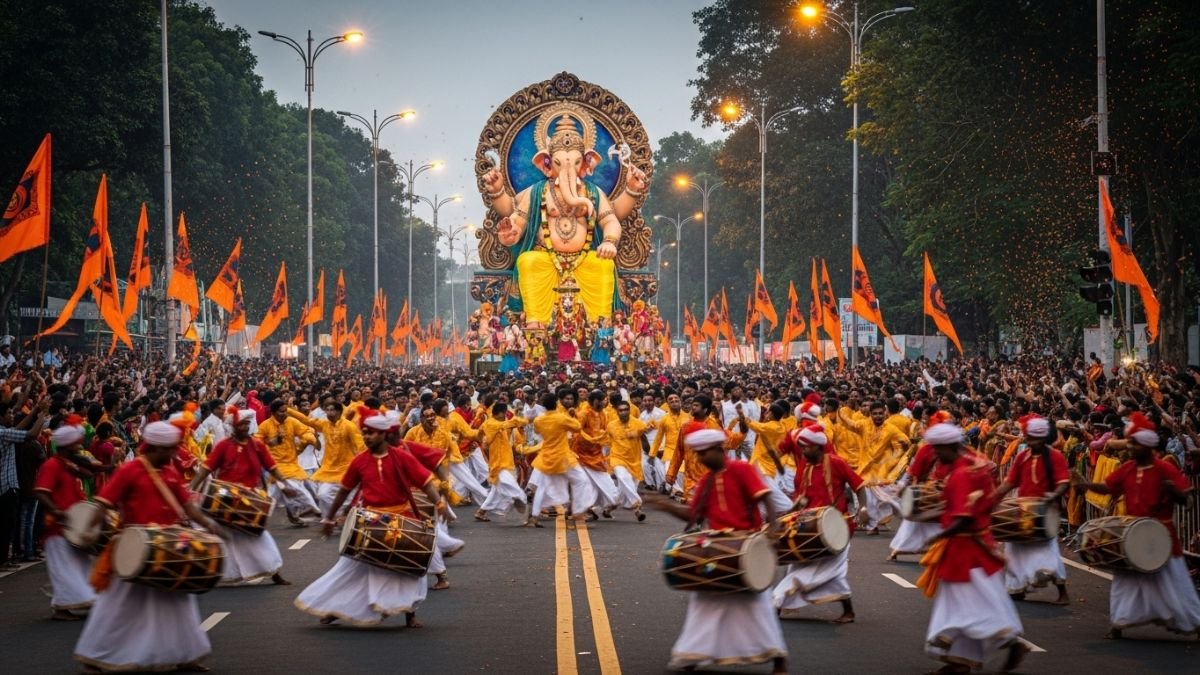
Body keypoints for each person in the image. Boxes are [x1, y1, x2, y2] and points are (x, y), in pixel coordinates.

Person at [74, 421, 220, 673]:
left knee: (180, 603)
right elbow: (103, 503)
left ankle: (186, 655)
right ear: (155, 447)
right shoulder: (129, 470)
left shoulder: (170, 472)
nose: (175, 453)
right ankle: (96, 654)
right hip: (133, 548)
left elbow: (186, 506)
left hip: (167, 546)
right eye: (170, 449)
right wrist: (88, 528)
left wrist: (206, 522)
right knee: (117, 605)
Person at [645, 425, 788, 675]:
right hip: (718, 547)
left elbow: (764, 496)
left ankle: (777, 658)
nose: (699, 459)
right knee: (703, 603)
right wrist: (665, 506)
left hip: (747, 547)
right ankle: (692, 654)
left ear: (718, 449)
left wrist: (773, 528)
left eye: (702, 454)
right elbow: (693, 514)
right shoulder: (707, 480)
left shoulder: (742, 469)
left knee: (757, 607)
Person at [295, 414, 449, 627]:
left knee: (410, 569)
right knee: (349, 570)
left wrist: (440, 504)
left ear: (384, 434)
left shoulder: (402, 457)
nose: (366, 436)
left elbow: (425, 483)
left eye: (371, 432)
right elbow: (343, 491)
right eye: (364, 432)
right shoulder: (360, 461)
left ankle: (410, 614)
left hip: (401, 520)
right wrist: (329, 518)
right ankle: (336, 609)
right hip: (369, 523)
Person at [1073, 412, 1200, 639]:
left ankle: (1194, 622)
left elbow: (1189, 500)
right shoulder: (1128, 468)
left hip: (1162, 536)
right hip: (1133, 534)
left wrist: (1177, 494)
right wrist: (1086, 486)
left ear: (1146, 445)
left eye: (1134, 444)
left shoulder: (1164, 468)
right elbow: (1109, 487)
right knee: (1125, 580)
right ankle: (1119, 622)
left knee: (1176, 583)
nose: (1129, 447)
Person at [916, 422, 1026, 675]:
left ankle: (1009, 641)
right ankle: (960, 661)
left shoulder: (962, 474)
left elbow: (962, 518)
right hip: (970, 547)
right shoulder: (969, 467)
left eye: (937, 449)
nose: (934, 455)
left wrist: (936, 536)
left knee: (972, 605)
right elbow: (954, 507)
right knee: (967, 602)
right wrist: (924, 514)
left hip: (968, 550)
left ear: (949, 446)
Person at [772, 423, 868, 623]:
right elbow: (801, 498)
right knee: (799, 567)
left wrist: (863, 508)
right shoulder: (803, 468)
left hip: (837, 526)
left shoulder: (836, 463)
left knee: (832, 570)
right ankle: (782, 605)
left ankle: (776, 604)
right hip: (810, 526)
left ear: (817, 446)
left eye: (805, 447)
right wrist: (790, 513)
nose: (802, 451)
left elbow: (858, 485)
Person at [190, 408, 298, 585]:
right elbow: (206, 469)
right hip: (224, 499)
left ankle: (274, 572)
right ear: (234, 427)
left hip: (249, 500)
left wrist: (284, 484)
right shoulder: (223, 445)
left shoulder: (257, 445)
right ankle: (209, 573)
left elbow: (272, 468)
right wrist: (192, 488)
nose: (246, 427)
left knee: (259, 535)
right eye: (242, 424)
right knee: (220, 538)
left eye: (247, 424)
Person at [992, 415, 1069, 604]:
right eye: (1028, 438)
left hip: (1044, 513)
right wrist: (992, 499)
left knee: (1048, 552)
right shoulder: (1022, 456)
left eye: (1034, 439)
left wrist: (1053, 495)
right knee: (1014, 549)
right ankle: (1018, 587)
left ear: (1043, 438)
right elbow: (1009, 483)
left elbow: (1064, 483)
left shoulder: (1055, 456)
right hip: (1022, 510)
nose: (1029, 441)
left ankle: (1062, 592)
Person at [33, 421, 97, 620]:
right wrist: (58, 512)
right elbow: (41, 492)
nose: (80, 445)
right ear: (67, 445)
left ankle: (79, 600)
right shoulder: (51, 465)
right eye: (76, 443)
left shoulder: (66, 464)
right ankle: (62, 607)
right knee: (64, 568)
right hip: (58, 527)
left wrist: (78, 463)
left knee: (81, 565)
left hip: (72, 526)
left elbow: (89, 474)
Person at [526, 392, 595, 527]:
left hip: (546, 456)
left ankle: (534, 517)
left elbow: (538, 431)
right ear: (556, 403)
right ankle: (578, 511)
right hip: (563, 457)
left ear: (544, 406)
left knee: (542, 486)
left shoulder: (539, 420)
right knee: (582, 480)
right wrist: (572, 415)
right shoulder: (561, 418)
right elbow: (577, 427)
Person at [288, 400, 365, 515]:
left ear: (339, 412)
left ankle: (339, 518)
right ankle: (333, 517)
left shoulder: (349, 426)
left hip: (346, 469)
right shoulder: (325, 425)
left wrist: (363, 464)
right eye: (327, 410)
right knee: (322, 495)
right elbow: (306, 420)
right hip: (329, 469)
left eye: (332, 410)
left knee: (348, 499)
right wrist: (289, 410)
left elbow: (359, 445)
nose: (329, 413)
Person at [256, 399, 321, 525]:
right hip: (275, 466)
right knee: (292, 490)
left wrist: (309, 438)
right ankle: (315, 510)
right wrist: (272, 442)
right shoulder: (265, 425)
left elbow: (305, 430)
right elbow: (257, 442)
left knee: (299, 489)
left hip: (291, 463)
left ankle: (298, 515)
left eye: (286, 411)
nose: (285, 414)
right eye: (281, 412)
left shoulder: (291, 421)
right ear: (273, 412)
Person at [475, 401, 529, 521]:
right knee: (509, 482)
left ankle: (481, 511)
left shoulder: (499, 423)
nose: (505, 415)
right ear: (499, 413)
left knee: (496, 489)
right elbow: (511, 423)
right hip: (498, 462)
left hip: (505, 459)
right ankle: (518, 498)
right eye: (504, 413)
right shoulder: (492, 424)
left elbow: (479, 433)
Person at [603, 400, 652, 521]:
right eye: (621, 410)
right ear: (617, 412)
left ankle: (609, 508)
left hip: (634, 460)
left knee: (624, 488)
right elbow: (606, 444)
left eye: (626, 410)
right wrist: (603, 458)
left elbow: (645, 441)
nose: (624, 412)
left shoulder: (639, 424)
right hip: (617, 457)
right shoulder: (611, 425)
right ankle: (637, 507)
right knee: (624, 478)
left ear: (630, 410)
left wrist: (650, 452)